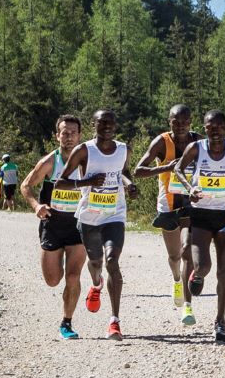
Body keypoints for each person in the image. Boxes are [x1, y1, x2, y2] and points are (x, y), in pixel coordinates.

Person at [167, 110, 225, 341]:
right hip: (200, 215)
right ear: (205, 128)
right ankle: (196, 276)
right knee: (203, 266)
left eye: (219, 126)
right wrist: (190, 189)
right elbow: (178, 169)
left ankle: (220, 322)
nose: (215, 131)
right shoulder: (196, 148)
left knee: (224, 272)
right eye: (210, 127)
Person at [58, 109, 137, 340]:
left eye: (111, 123)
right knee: (96, 262)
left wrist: (130, 184)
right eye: (102, 123)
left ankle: (115, 322)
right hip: (89, 217)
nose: (107, 127)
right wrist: (88, 182)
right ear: (94, 125)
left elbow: (123, 172)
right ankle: (96, 284)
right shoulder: (83, 150)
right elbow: (61, 182)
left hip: (114, 215)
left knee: (113, 260)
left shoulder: (124, 149)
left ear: (116, 126)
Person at [20, 116, 88, 339]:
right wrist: (36, 205)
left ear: (79, 135)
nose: (68, 137)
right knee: (53, 280)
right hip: (53, 225)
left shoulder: (86, 161)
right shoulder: (50, 162)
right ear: (57, 135)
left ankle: (66, 322)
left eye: (72, 133)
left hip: (78, 226)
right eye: (64, 133)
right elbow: (25, 185)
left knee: (73, 276)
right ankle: (69, 299)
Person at [133, 104, 197, 322]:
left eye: (184, 121)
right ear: (169, 121)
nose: (180, 126)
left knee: (187, 249)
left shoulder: (198, 141)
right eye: (175, 121)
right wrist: (167, 168)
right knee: (174, 255)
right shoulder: (161, 142)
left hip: (191, 203)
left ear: (191, 122)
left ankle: (187, 306)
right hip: (168, 204)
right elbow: (138, 171)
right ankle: (177, 279)